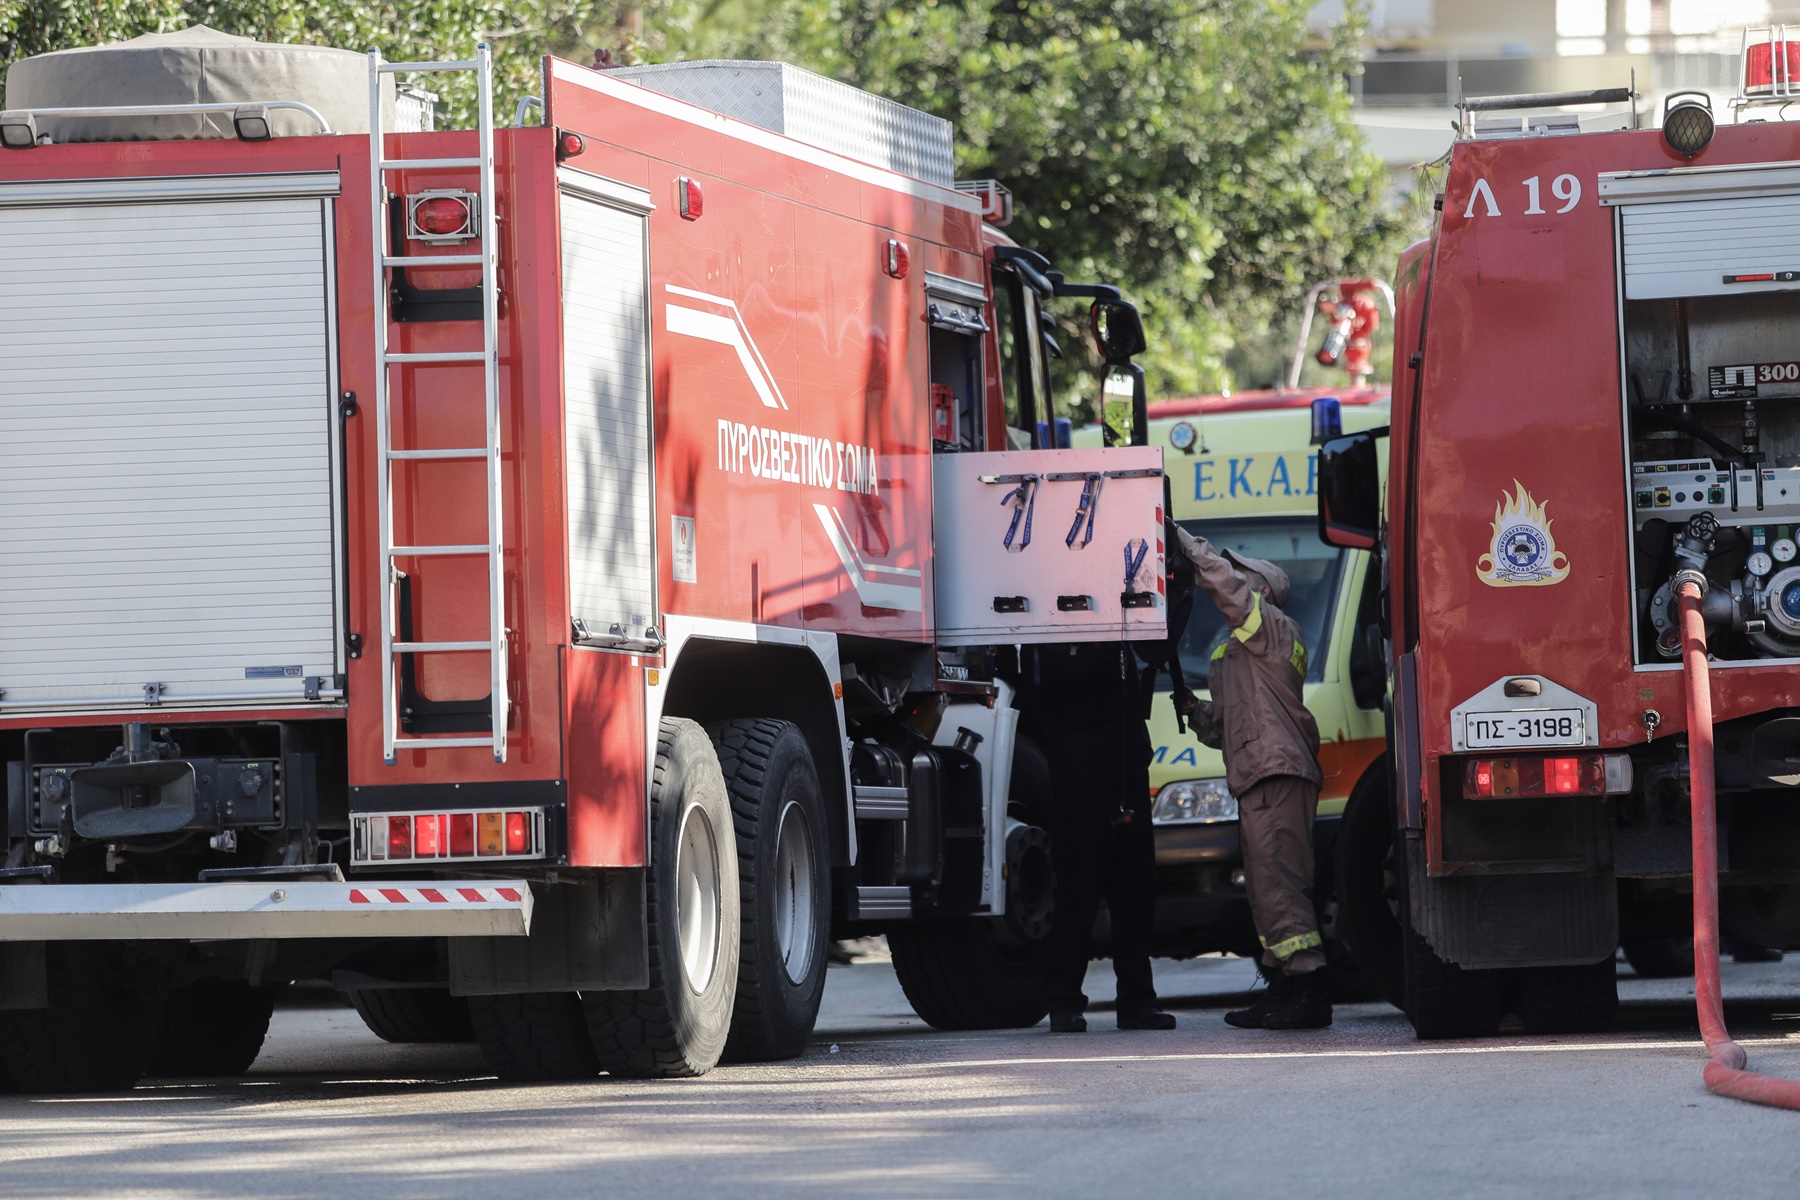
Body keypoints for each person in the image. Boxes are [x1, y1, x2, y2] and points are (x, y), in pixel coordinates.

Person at [1175, 527, 1331, 1029]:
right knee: (1267, 888)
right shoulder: (1247, 649)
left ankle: (1308, 992)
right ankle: (1283, 988)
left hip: (1274, 771)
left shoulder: (1272, 627)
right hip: (1261, 772)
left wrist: (1183, 540)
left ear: (1261, 591)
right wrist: (1195, 712)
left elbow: (1227, 586)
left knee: (1280, 886)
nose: (1233, 579)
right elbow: (1230, 724)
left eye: (1243, 576)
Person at [1010, 641, 1175, 1033]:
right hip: (1081, 778)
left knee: (1135, 893)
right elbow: (1058, 687)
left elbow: (1159, 646)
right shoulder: (1048, 638)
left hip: (1126, 769)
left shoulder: (1118, 628)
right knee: (1077, 897)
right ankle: (1065, 1001)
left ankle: (1136, 1001)